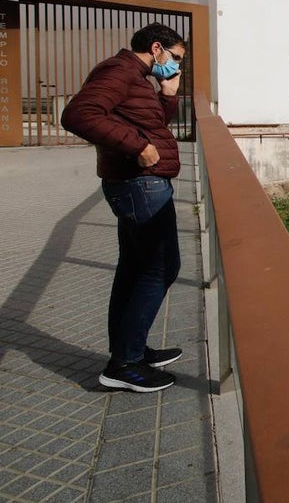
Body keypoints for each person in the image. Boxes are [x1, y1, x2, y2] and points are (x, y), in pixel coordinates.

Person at [61, 22, 187, 393]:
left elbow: (150, 124)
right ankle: (126, 364)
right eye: (175, 59)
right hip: (138, 185)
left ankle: (131, 350)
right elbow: (78, 114)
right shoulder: (119, 71)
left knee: (134, 269)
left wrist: (167, 95)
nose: (176, 67)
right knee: (161, 266)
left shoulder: (137, 77)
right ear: (156, 48)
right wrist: (137, 147)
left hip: (137, 185)